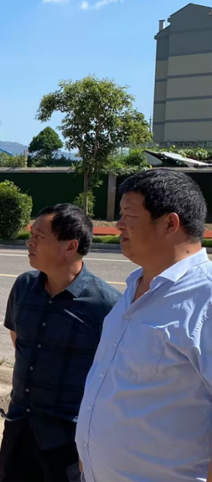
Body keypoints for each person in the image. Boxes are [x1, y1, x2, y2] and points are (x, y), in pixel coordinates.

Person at [77, 169, 212, 482]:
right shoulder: (135, 287)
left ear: (170, 224)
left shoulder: (205, 298)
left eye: (129, 215)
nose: (118, 225)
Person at [0, 204, 121, 482]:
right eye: (31, 234)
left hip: (69, 439)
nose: (30, 242)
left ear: (70, 246)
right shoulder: (24, 287)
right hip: (20, 426)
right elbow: (19, 342)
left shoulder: (106, 305)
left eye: (39, 236)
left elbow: (113, 377)